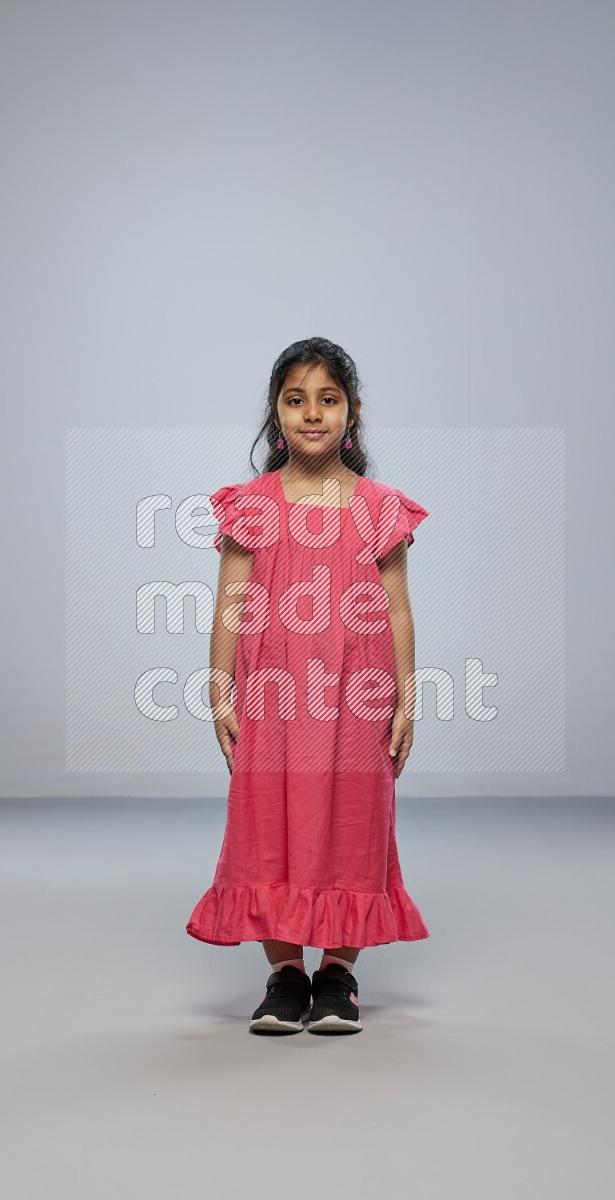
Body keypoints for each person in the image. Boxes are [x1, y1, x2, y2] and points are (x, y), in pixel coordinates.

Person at [186, 336, 430, 1035]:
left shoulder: (378, 505)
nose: (312, 414)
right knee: (269, 822)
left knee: (354, 820)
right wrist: (220, 690)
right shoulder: (252, 506)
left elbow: (397, 606)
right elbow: (232, 598)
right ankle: (286, 974)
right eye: (296, 400)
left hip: (358, 695)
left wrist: (407, 700)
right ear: (276, 412)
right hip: (274, 695)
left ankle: (339, 975)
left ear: (351, 413)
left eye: (328, 399)